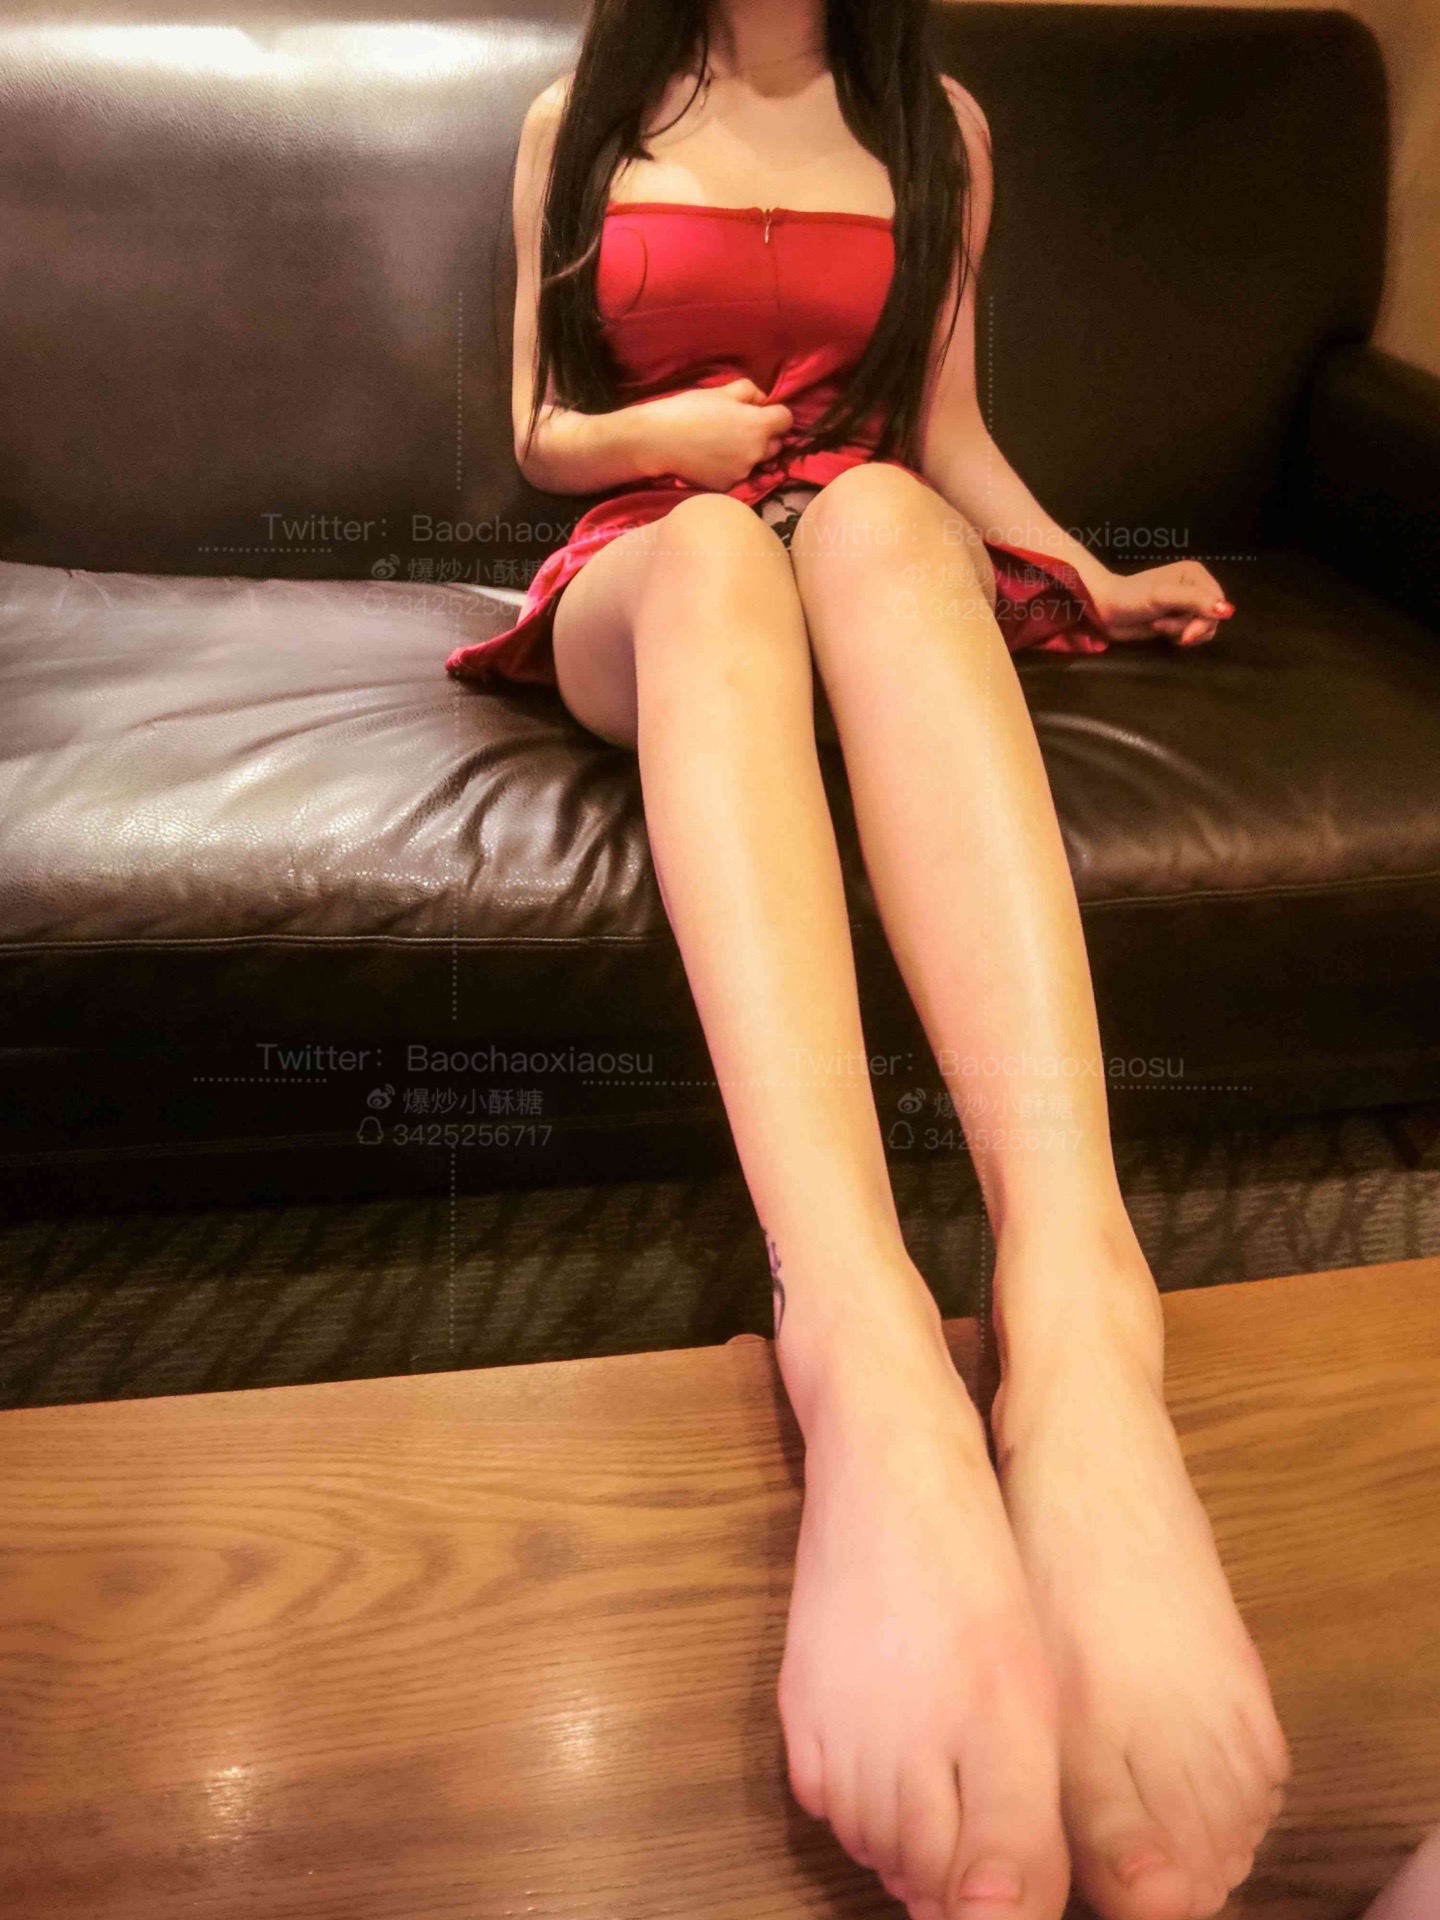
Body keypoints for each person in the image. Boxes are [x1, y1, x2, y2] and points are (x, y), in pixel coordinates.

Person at [449, 4, 1290, 1917]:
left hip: (855, 530)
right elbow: (535, 429)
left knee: (888, 512)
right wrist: (662, 441)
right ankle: (863, 1347)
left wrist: (1091, 571)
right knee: (720, 563)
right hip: (653, 557)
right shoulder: (577, 114)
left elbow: (948, 433)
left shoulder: (941, 126)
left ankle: (1085, 1331)